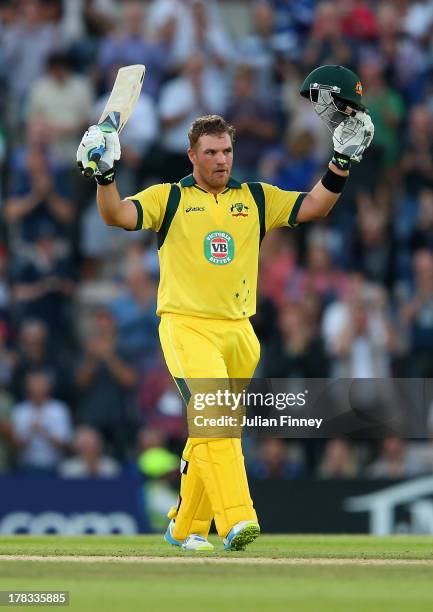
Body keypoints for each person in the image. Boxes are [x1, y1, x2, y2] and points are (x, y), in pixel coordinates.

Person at [76, 64, 374, 552]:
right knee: (217, 419)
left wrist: (340, 162)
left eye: (227, 151)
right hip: (186, 326)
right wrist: (104, 174)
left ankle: (184, 525)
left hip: (240, 333)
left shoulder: (254, 198)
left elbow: (315, 207)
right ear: (192, 154)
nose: (221, 160)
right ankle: (237, 518)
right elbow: (115, 215)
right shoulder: (168, 198)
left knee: (211, 430)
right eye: (211, 152)